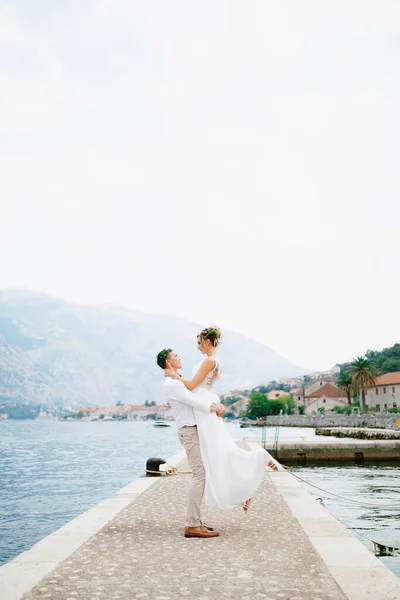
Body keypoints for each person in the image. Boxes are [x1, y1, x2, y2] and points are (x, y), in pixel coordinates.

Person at [165, 326, 283, 513]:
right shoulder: (211, 361)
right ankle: (245, 488)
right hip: (204, 406)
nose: (197, 347)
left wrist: (174, 376)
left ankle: (258, 458)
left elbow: (193, 385)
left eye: (199, 343)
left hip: (204, 409)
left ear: (208, 342)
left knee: (219, 453)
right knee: (220, 452)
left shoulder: (209, 362)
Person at [157, 348, 226, 538]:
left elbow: (197, 397)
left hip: (192, 431)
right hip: (188, 432)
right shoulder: (172, 384)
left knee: (201, 474)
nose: (180, 357)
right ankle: (192, 524)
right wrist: (216, 408)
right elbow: (195, 401)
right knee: (199, 475)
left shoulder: (175, 382)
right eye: (176, 356)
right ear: (169, 362)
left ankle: (196, 520)